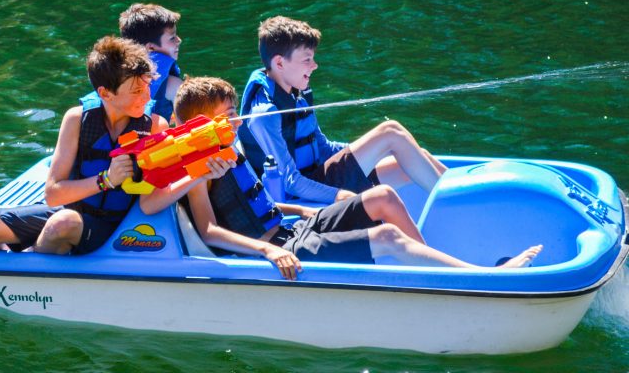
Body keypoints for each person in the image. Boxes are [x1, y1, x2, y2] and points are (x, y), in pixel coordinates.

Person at [139, 76, 542, 280]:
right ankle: (479, 279)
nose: (234, 121)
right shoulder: (200, 169)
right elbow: (209, 230)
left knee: (382, 196)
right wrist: (268, 252)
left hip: (290, 226)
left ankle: (431, 274)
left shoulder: (230, 151)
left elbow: (254, 202)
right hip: (276, 247)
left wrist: (302, 208)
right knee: (387, 236)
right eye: (225, 116)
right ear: (200, 124)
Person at [0, 36, 168, 254]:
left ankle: (31, 268)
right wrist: (107, 180)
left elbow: (155, 196)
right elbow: (53, 195)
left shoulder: (154, 127)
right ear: (105, 93)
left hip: (115, 229)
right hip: (70, 213)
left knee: (63, 223)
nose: (147, 97)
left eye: (147, 87)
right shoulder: (77, 120)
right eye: (137, 91)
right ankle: (28, 263)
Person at [238, 16, 447, 205]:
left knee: (415, 158)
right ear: (279, 63)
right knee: (391, 132)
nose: (315, 66)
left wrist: (374, 152)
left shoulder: (296, 93)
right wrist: (338, 195)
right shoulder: (265, 114)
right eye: (307, 59)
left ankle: (463, 192)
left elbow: (323, 148)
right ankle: (453, 201)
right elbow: (290, 182)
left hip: (318, 175)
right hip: (304, 194)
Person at [119, 3, 183, 124]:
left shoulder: (117, 77)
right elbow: (189, 122)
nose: (179, 40)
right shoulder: (173, 85)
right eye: (172, 38)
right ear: (151, 48)